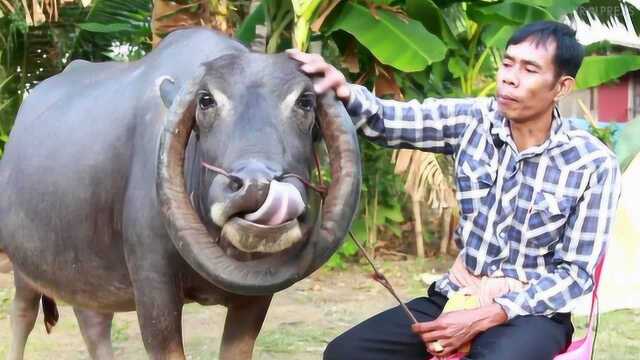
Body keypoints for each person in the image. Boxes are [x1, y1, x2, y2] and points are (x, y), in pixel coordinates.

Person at [287, 20, 621, 360]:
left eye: (530, 69)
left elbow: (576, 275)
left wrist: (489, 314)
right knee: (347, 353)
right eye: (507, 63)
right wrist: (342, 88)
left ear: (562, 87)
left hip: (531, 314)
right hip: (456, 294)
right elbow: (385, 119)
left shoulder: (591, 163)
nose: (509, 77)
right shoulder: (471, 120)